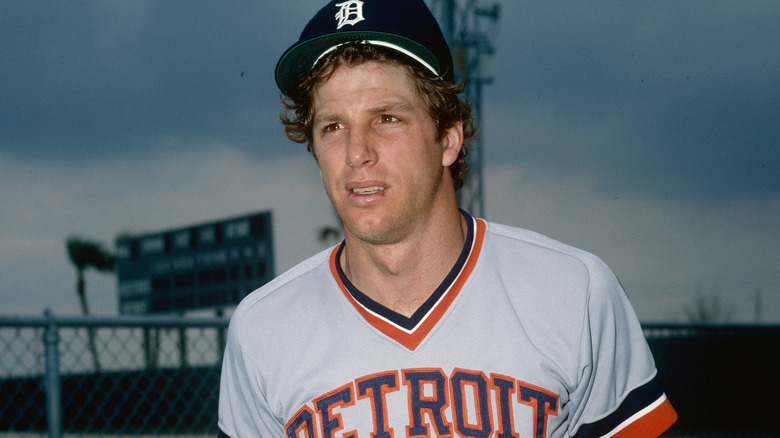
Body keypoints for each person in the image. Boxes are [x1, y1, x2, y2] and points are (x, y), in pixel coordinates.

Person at [218, 0, 678, 437]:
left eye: (387, 118)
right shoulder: (262, 330)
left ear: (449, 139)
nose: (357, 153)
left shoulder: (575, 293)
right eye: (333, 126)